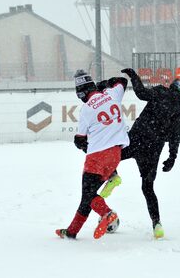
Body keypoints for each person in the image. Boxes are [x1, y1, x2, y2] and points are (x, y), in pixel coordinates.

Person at [55, 70, 129, 240]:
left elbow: (81, 139)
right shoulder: (112, 94)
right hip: (116, 154)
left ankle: (107, 213)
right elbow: (121, 81)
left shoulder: (86, 109)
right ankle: (72, 232)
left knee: (88, 195)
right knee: (89, 197)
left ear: (81, 93)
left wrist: (78, 142)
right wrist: (105, 84)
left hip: (97, 157)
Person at [117, 68, 180, 239]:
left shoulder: (160, 91)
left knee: (111, 159)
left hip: (136, 139)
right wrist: (172, 157)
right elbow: (175, 136)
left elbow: (141, 93)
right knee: (148, 187)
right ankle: (157, 223)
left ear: (171, 86)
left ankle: (111, 177)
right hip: (153, 149)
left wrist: (134, 76)